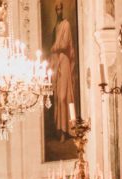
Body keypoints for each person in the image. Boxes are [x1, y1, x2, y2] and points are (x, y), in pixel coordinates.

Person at [50, 1, 76, 142]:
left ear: (63, 9)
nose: (59, 11)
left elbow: (65, 44)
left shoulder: (66, 25)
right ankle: (60, 130)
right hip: (56, 62)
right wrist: (54, 49)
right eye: (57, 9)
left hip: (65, 60)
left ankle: (68, 129)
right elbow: (53, 48)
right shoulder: (56, 27)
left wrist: (55, 47)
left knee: (64, 96)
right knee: (58, 98)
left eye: (60, 8)